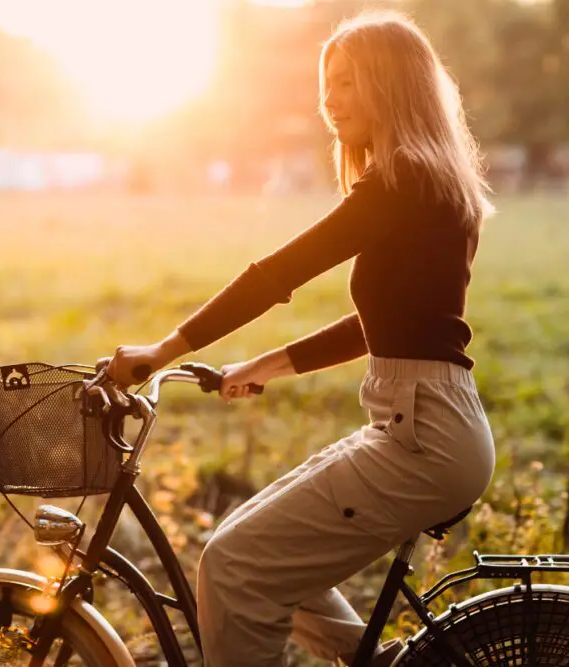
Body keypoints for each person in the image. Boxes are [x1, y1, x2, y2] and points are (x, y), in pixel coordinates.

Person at [101, 10, 497, 667]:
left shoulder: (401, 182)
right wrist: (264, 365)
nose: (328, 101)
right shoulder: (427, 181)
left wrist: (162, 350)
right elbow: (385, 324)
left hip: (425, 435)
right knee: (253, 546)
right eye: (326, 84)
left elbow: (277, 274)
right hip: (422, 423)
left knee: (234, 566)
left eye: (347, 82)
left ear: (392, 84)